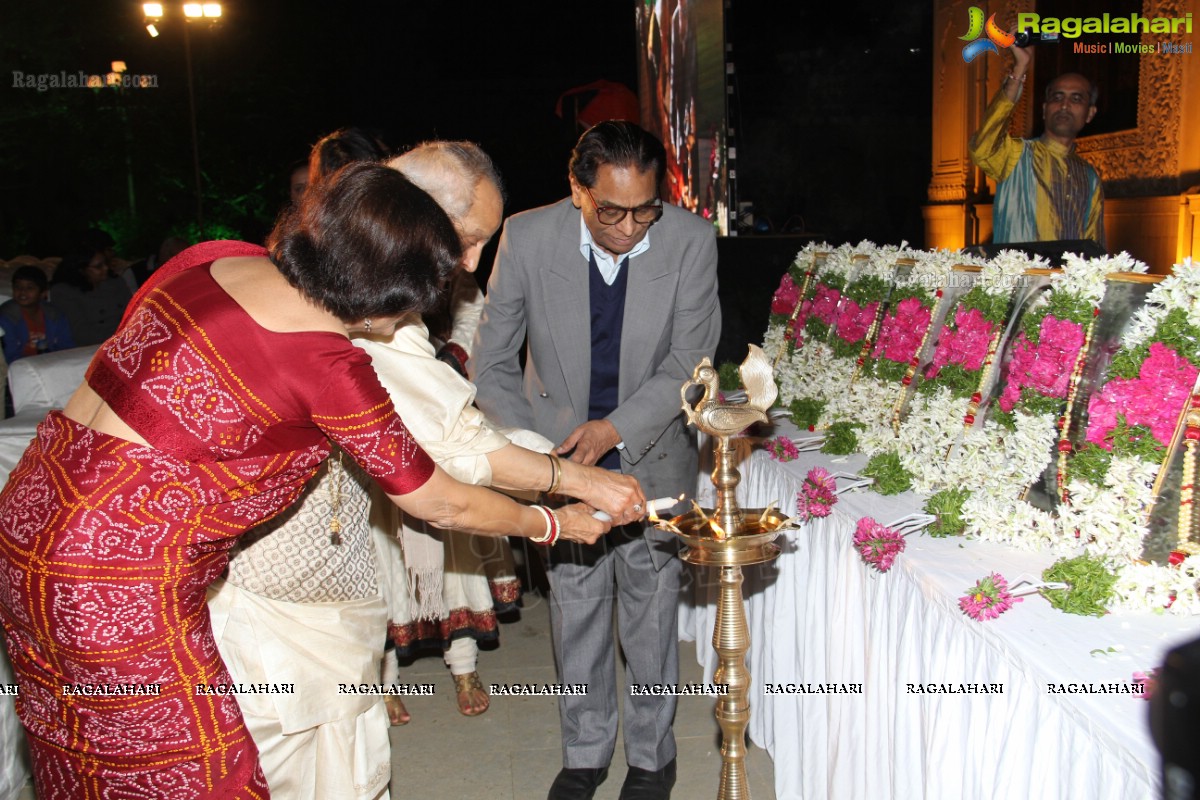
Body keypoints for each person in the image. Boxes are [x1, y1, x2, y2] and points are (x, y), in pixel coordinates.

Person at [0, 162, 613, 799]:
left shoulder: (213, 261)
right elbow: (442, 500)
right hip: (114, 584)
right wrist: (553, 521)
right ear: (385, 289)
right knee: (196, 776)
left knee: (84, 761)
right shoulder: (325, 360)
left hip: (28, 522)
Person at [206, 141, 645, 800]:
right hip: (257, 610)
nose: (471, 264)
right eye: (466, 241)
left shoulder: (241, 269)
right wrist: (566, 503)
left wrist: (556, 473)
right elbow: (448, 481)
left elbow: (454, 427)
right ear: (406, 219)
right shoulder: (348, 331)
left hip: (286, 596)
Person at [472, 120, 721, 800]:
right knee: (575, 607)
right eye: (612, 211)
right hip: (555, 458)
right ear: (577, 189)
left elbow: (687, 363)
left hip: (653, 450)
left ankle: (651, 757)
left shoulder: (692, 241)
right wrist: (534, 455)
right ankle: (584, 751)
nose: (631, 227)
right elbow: (491, 362)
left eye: (646, 209)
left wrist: (614, 429)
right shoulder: (527, 236)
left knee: (649, 609)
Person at [967, 46, 1104, 246]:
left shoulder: (1089, 176)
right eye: (1057, 97)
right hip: (1019, 277)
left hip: (1065, 278)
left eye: (1076, 98)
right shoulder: (1016, 155)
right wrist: (1019, 68)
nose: (1064, 105)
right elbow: (982, 147)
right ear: (1044, 109)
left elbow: (1094, 246)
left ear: (1090, 113)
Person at [48, 241, 132, 346]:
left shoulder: (116, 282)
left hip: (128, 339)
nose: (105, 268)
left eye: (106, 263)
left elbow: (134, 313)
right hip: (96, 346)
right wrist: (119, 340)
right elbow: (80, 333)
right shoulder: (64, 292)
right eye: (98, 266)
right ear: (81, 270)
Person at [0, 265, 74, 363]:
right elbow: (10, 355)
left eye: (29, 288)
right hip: (21, 367)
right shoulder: (7, 316)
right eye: (18, 287)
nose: (22, 292)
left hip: (51, 363)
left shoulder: (55, 315)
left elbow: (66, 348)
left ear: (43, 293)